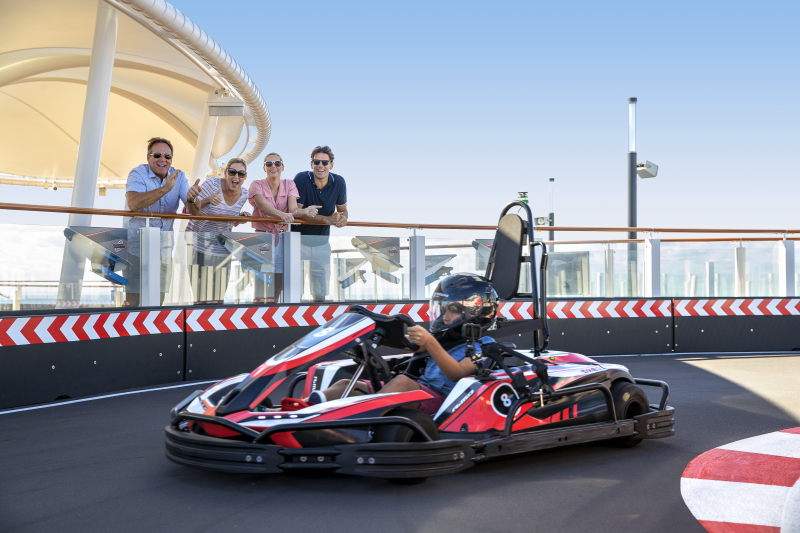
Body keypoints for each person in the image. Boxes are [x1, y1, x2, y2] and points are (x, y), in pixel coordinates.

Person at [307, 273, 498, 416]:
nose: (445, 317)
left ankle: (360, 420)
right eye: (443, 310)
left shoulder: (485, 345)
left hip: (445, 401)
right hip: (418, 390)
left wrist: (430, 341)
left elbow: (456, 373)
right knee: (345, 384)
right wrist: (380, 332)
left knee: (402, 382)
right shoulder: (444, 338)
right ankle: (302, 410)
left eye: (453, 311)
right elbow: (411, 346)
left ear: (475, 312)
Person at [124, 136, 201, 307]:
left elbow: (195, 211)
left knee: (158, 301)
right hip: (136, 248)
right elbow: (134, 203)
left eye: (167, 157)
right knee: (133, 301)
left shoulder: (179, 177)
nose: (162, 160)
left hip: (163, 249)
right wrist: (165, 188)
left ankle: (151, 334)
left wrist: (193, 199)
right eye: (157, 155)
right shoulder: (137, 173)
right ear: (148, 157)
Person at [248, 153, 319, 303]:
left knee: (279, 277)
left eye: (277, 163)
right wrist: (282, 215)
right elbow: (263, 207)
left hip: (283, 237)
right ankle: (258, 308)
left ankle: (273, 306)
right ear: (264, 168)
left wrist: (305, 211)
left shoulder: (290, 184)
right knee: (262, 277)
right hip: (263, 236)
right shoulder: (257, 184)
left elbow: (293, 209)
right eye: (269, 164)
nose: (273, 166)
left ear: (282, 167)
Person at [185, 158, 250, 304]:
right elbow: (192, 210)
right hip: (198, 245)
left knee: (218, 298)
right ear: (226, 173)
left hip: (222, 248)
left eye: (241, 174)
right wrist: (208, 200)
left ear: (245, 177)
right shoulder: (212, 184)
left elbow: (229, 219)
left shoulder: (244, 194)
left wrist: (241, 218)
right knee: (200, 298)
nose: (236, 177)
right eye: (232, 172)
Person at [292, 146, 348, 302]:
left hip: (322, 243)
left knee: (320, 294)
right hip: (298, 243)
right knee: (297, 293)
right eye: (316, 162)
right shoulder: (302, 178)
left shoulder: (339, 182)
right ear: (311, 164)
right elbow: (297, 212)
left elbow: (343, 210)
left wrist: (343, 219)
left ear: (331, 164)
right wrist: (326, 220)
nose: (320, 165)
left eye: (325, 162)